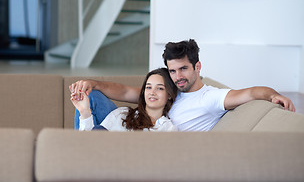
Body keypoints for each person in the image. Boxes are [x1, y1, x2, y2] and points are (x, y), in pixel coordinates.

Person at [70, 39, 295, 131]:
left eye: (184, 69)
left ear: (197, 67)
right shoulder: (169, 89)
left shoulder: (210, 98)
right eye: (172, 70)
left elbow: (250, 92)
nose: (178, 76)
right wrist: (92, 83)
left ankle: (85, 151)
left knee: (94, 131)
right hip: (133, 125)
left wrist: (273, 95)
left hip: (149, 140)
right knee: (89, 96)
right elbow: (127, 91)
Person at [71, 68, 178, 131]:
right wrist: (85, 113)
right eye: (148, 87)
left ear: (169, 95)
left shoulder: (169, 128)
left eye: (159, 88)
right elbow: (90, 143)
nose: (152, 93)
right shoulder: (123, 114)